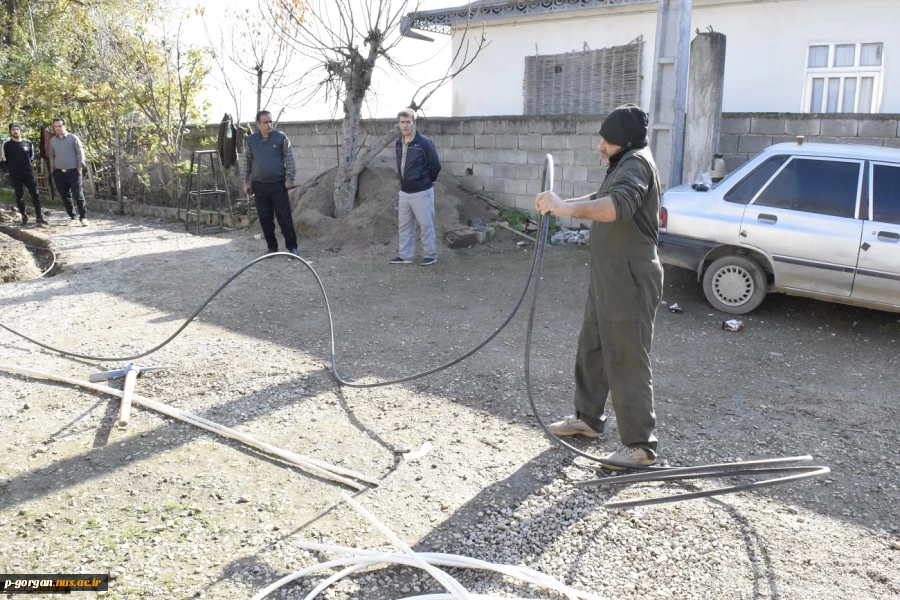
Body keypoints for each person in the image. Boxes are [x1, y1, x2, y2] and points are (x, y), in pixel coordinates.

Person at [535, 104, 664, 469]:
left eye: (605, 140)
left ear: (621, 142)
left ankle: (639, 445)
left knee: (626, 356)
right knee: (592, 345)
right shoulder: (623, 163)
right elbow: (598, 199)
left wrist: (565, 208)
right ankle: (587, 420)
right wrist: (558, 205)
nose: (599, 146)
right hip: (609, 275)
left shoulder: (637, 164)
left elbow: (615, 207)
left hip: (630, 278)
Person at [241, 110, 299, 256]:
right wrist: (245, 182)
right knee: (265, 218)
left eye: (270, 121)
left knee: (284, 217)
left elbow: (290, 159)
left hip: (278, 184)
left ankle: (292, 247)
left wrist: (289, 179)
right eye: (265, 122)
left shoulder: (280, 138)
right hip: (260, 186)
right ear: (258, 124)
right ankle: (272, 247)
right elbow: (246, 162)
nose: (269, 124)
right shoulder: (251, 140)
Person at [389, 108, 441, 266]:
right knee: (404, 226)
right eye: (402, 122)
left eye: (408, 122)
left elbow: (436, 165)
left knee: (426, 225)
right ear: (399, 124)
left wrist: (426, 180)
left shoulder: (424, 142)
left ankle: (430, 255)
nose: (405, 125)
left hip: (422, 191)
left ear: (414, 123)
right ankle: (405, 256)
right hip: (404, 191)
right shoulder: (399, 142)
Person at [1, 123, 46, 226]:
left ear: (20, 130)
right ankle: (24, 217)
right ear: (10, 131)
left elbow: (31, 157)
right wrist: (11, 169)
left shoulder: (28, 143)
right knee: (19, 195)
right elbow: (4, 159)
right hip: (15, 174)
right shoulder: (6, 144)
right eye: (13, 129)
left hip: (28, 173)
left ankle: (39, 217)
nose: (15, 131)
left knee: (35, 194)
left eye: (17, 129)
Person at [48, 118, 88, 226]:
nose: (57, 128)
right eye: (55, 126)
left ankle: (83, 217)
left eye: (59, 126)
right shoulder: (53, 140)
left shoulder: (73, 138)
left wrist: (80, 167)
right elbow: (51, 156)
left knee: (78, 195)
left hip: (73, 171)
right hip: (59, 173)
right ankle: (73, 217)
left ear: (64, 126)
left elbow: (81, 153)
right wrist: (52, 170)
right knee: (65, 196)